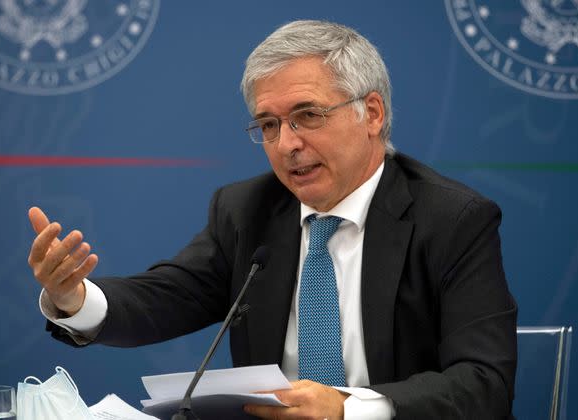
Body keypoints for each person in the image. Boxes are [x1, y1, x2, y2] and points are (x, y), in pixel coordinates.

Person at [27, 20, 518, 419]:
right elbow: (167, 297)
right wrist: (75, 298)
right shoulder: (247, 211)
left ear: (371, 113)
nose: (286, 144)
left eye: (307, 115)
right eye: (269, 125)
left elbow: (482, 383)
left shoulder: (452, 219)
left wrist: (347, 408)